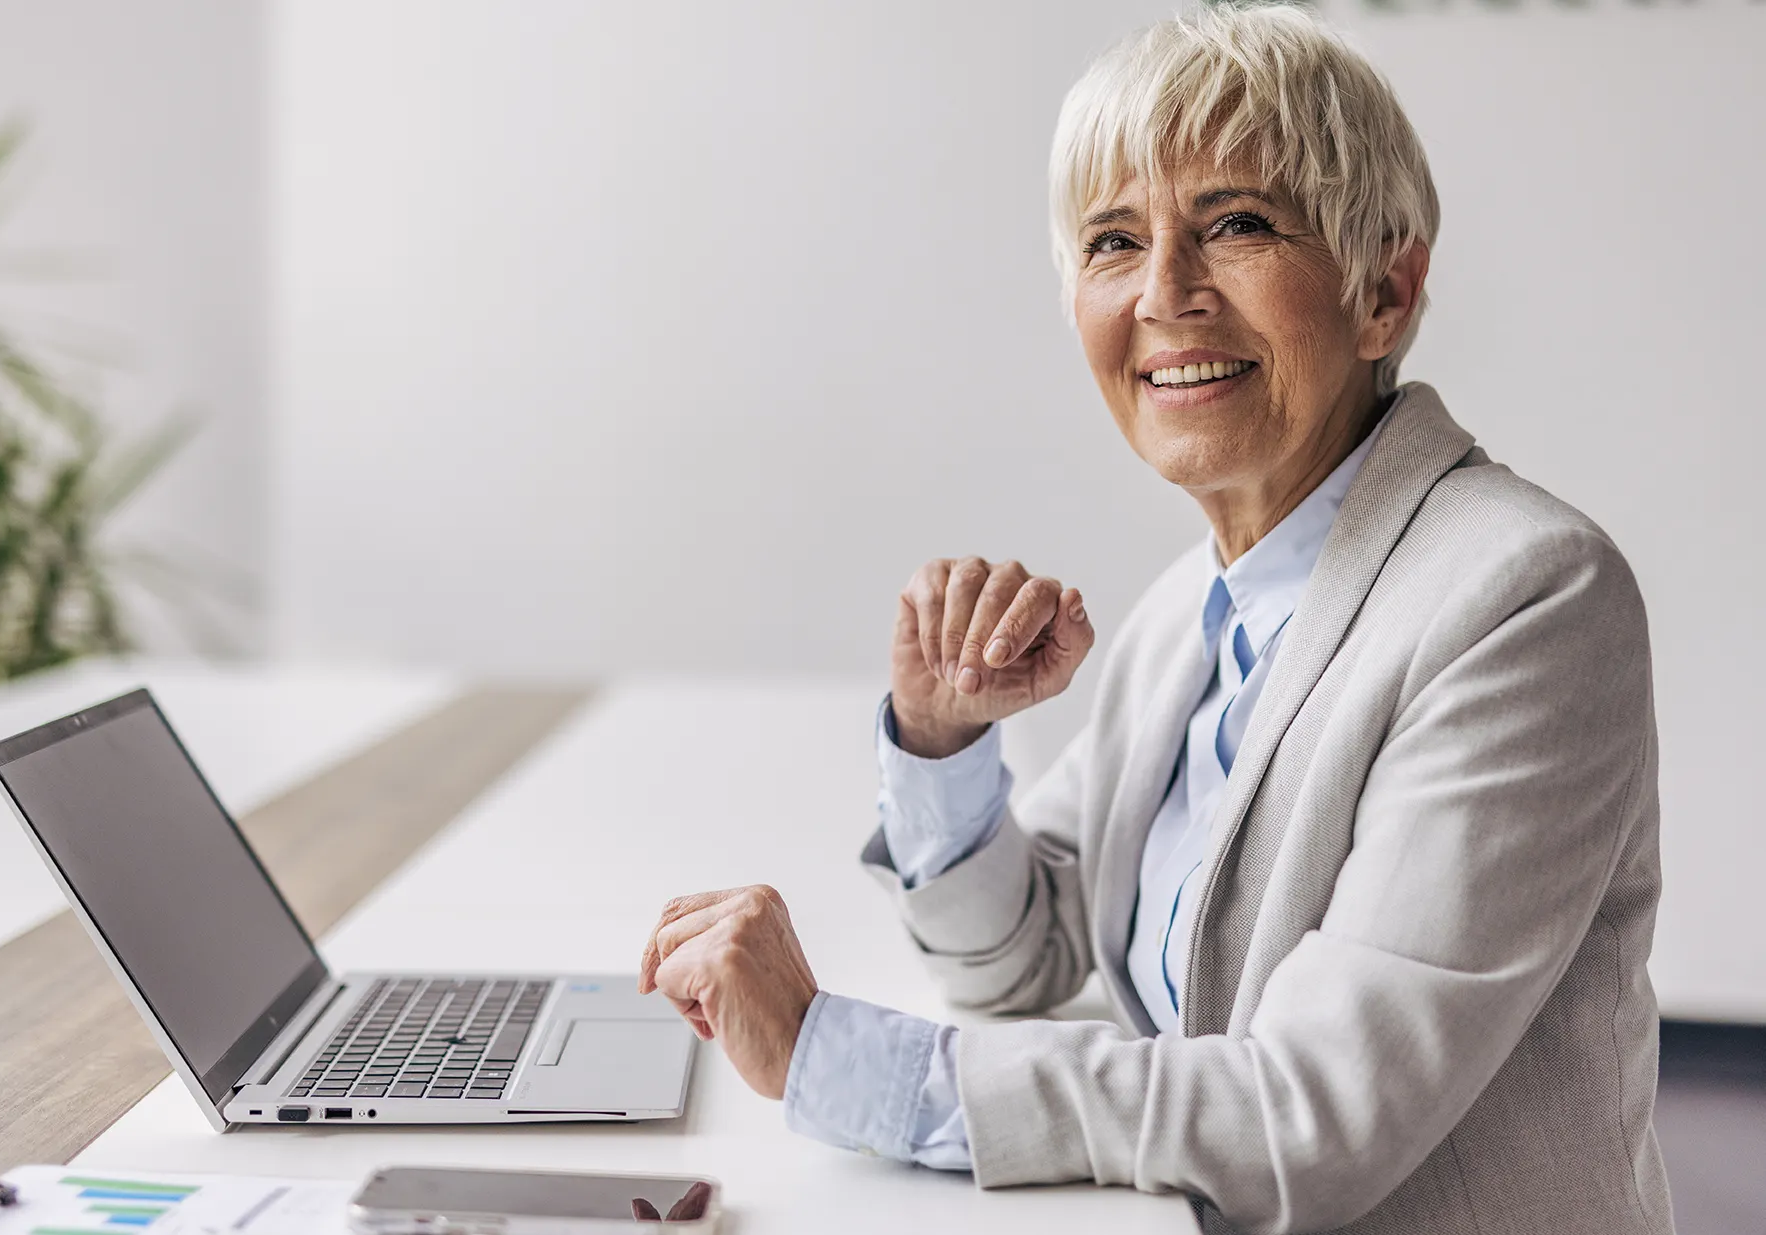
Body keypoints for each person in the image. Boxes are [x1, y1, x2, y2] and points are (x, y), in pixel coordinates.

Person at [635, 7, 1671, 1233]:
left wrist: (830, 1053)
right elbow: (1017, 959)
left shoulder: (1526, 598)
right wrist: (941, 740)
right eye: (1113, 240)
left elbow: (1311, 1118)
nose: (1165, 294)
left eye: (1235, 224)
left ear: (1384, 290)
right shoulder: (1200, 602)